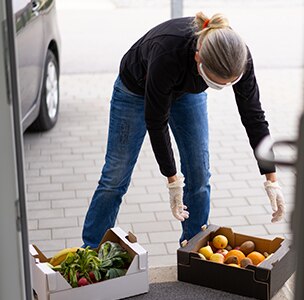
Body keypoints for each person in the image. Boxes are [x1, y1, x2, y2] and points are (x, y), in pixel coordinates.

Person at [81, 12, 286, 248]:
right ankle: (92, 249)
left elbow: (253, 116)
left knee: (199, 172)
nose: (225, 87)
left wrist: (271, 178)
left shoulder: (238, 55)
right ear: (199, 58)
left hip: (187, 93)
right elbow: (156, 122)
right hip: (135, 92)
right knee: (115, 176)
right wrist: (172, 179)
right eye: (217, 83)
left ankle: (194, 249)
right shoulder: (167, 52)